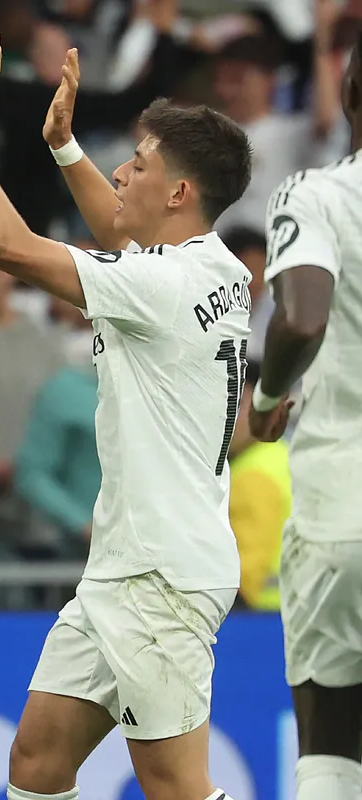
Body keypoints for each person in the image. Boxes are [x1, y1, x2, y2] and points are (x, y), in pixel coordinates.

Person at [0, 39, 253, 800]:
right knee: (37, 762)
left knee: (175, 785)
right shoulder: (218, 268)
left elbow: (9, 248)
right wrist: (64, 147)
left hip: (160, 574)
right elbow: (121, 236)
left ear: (179, 193)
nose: (120, 173)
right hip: (128, 567)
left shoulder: (161, 284)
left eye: (138, 165)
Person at [249, 32, 362, 800]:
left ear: (349, 96)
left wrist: (265, 400)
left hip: (340, 508)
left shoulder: (315, 195)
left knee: (329, 744)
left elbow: (299, 318)